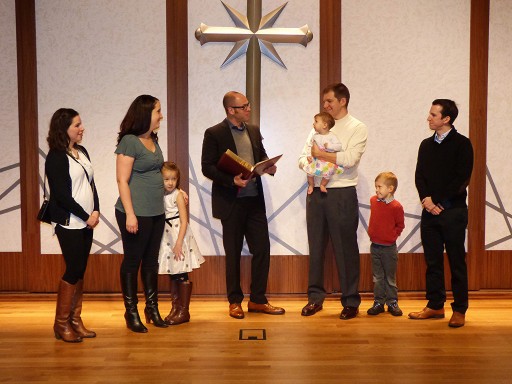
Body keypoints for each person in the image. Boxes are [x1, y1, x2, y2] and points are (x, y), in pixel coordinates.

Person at [201, 91, 285, 319]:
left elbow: (262, 156)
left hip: (254, 201)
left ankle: (258, 300)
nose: (249, 109)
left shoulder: (254, 130)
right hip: (231, 203)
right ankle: (234, 301)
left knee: (262, 250)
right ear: (231, 110)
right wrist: (231, 180)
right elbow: (207, 167)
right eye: (244, 106)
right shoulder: (214, 133)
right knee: (233, 254)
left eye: (248, 105)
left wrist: (269, 167)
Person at [298, 83, 368, 319]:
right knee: (316, 246)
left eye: (329, 101)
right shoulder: (318, 126)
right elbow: (303, 155)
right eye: (324, 101)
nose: (325, 105)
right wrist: (309, 160)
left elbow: (349, 159)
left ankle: (350, 301)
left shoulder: (357, 127)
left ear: (343, 101)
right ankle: (315, 298)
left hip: (342, 193)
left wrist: (320, 155)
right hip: (316, 192)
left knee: (345, 248)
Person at [409, 99, 473, 328]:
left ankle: (460, 309)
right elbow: (420, 176)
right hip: (430, 212)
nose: (429, 118)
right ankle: (435, 305)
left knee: (456, 261)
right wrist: (427, 201)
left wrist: (437, 201)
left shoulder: (462, 144)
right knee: (432, 261)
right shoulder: (425, 145)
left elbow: (461, 179)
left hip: (453, 211)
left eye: (433, 115)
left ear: (446, 119)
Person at [45, 108, 100, 342]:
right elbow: (61, 195)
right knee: (73, 269)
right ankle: (61, 324)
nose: (82, 128)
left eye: (81, 123)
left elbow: (91, 183)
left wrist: (96, 209)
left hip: (87, 221)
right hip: (70, 222)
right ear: (63, 129)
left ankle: (75, 321)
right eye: (76, 125)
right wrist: (85, 215)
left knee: (80, 270)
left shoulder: (82, 151)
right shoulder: (56, 157)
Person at [115, 95, 168, 333]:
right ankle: (131, 311)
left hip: (156, 211)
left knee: (150, 262)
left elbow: (156, 172)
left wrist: (176, 191)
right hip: (136, 213)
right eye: (158, 111)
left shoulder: (152, 140)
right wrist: (130, 214)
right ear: (146, 113)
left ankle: (152, 308)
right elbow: (122, 180)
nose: (161, 116)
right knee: (132, 262)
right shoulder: (129, 141)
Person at [158, 161, 204, 325]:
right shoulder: (161, 194)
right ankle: (175, 308)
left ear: (178, 180)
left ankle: (184, 311)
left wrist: (178, 243)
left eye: (173, 179)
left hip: (179, 235)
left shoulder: (178, 195)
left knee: (182, 272)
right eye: (166, 179)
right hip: (167, 236)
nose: (170, 182)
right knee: (173, 272)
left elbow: (184, 221)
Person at [366, 172, 405, 316]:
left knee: (390, 277)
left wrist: (391, 236)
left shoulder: (396, 207)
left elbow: (400, 225)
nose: (376, 190)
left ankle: (392, 302)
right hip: (375, 246)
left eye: (379, 187)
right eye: (376, 187)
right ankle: (378, 302)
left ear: (390, 189)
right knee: (377, 277)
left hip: (389, 248)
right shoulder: (373, 201)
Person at [302, 112, 343, 194]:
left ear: (324, 125)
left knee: (329, 173)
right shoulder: (315, 136)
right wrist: (309, 155)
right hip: (315, 160)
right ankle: (311, 184)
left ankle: (323, 185)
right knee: (309, 172)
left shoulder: (332, 136)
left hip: (327, 160)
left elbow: (339, 147)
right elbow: (310, 146)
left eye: (316, 121)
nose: (313, 124)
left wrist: (330, 146)